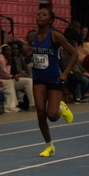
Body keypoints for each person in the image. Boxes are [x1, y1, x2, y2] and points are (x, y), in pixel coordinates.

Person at [28, 8, 78, 157]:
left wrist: (65, 73)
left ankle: (61, 108)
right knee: (40, 112)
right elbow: (31, 54)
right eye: (38, 14)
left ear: (50, 20)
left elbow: (75, 54)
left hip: (54, 79)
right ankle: (49, 146)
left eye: (43, 15)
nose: (39, 16)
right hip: (38, 78)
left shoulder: (56, 36)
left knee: (52, 116)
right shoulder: (32, 36)